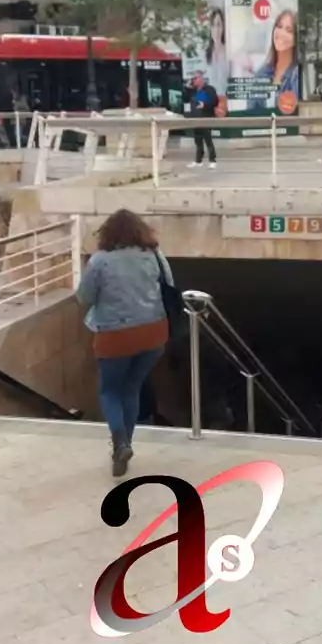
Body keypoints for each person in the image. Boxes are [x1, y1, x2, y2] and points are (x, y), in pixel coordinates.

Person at [76, 210, 174, 477]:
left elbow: (84, 296)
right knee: (132, 387)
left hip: (115, 334)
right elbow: (169, 286)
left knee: (110, 391)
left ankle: (120, 443)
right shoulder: (154, 254)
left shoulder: (100, 261)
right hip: (154, 333)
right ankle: (125, 445)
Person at [253, 9, 300, 108]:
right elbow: (251, 113)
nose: (281, 33)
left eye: (289, 30)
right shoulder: (261, 74)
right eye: (279, 26)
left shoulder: (297, 76)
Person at [186, 72, 219, 168]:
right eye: (193, 79)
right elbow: (185, 98)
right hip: (195, 118)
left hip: (206, 117)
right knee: (198, 140)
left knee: (208, 140)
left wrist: (205, 105)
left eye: (195, 78)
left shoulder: (209, 89)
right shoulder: (193, 91)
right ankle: (198, 160)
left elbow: (215, 101)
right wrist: (187, 87)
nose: (193, 80)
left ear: (201, 79)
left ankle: (212, 160)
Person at [205, 8, 229, 96]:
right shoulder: (207, 53)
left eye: (219, 24)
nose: (216, 29)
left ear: (223, 27)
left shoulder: (228, 51)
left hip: (227, 102)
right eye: (213, 25)